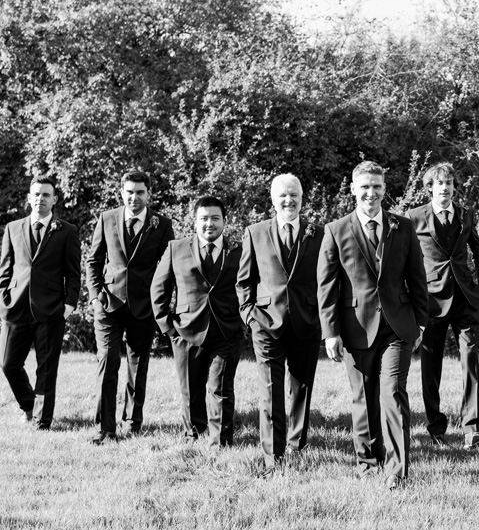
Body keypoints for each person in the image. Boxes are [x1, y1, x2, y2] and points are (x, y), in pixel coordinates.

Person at [318, 161, 428, 491]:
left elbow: (417, 277)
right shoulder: (336, 230)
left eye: (377, 186)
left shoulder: (403, 227)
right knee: (363, 398)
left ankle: (396, 470)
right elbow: (326, 286)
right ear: (353, 189)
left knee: (393, 393)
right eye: (364, 186)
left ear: (384, 188)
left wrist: (421, 324)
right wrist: (330, 331)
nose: (371, 193)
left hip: (398, 326)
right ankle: (368, 462)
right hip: (355, 327)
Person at [237, 174, 324, 472]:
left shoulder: (319, 233)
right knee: (270, 389)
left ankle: (296, 444)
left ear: (302, 197)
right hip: (265, 322)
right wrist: (249, 315)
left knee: (301, 388)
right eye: (282, 195)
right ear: (272, 200)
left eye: (294, 194)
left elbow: (327, 280)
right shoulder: (255, 232)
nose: (288, 200)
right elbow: (244, 281)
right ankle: (274, 455)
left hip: (307, 322)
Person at [85, 169, 175, 444]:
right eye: (129, 192)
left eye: (140, 192)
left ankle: (133, 423)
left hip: (143, 305)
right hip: (108, 303)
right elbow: (93, 261)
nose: (134, 197)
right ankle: (106, 428)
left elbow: (170, 267)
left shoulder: (161, 224)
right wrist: (94, 295)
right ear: (122, 193)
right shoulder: (107, 218)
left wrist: (161, 303)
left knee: (138, 364)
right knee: (108, 361)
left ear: (149, 194)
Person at [407, 162, 479, 449]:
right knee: (431, 366)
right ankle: (436, 427)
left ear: (454, 187)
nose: (445, 188)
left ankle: (472, 429)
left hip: (465, 298)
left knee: (471, 362)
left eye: (450, 183)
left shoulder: (466, 215)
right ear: (430, 187)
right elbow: (406, 258)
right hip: (430, 301)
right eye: (440, 184)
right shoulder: (414, 216)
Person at [150, 196, 244, 444]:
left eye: (215, 218)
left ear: (225, 221)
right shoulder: (176, 248)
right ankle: (193, 434)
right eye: (204, 218)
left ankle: (221, 440)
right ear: (195, 221)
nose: (209, 224)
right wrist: (169, 329)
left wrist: (243, 323)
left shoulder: (239, 250)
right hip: (186, 331)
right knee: (190, 390)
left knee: (221, 389)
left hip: (227, 331)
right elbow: (159, 289)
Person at [0, 175, 81, 430]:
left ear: (54, 199)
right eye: (36, 194)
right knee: (7, 363)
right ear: (28, 198)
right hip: (15, 308)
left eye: (46, 195)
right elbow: (4, 270)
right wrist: (2, 303)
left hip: (51, 310)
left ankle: (42, 421)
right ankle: (29, 406)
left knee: (46, 369)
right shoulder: (13, 228)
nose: (40, 199)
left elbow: (73, 273)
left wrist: (68, 306)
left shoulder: (67, 231)